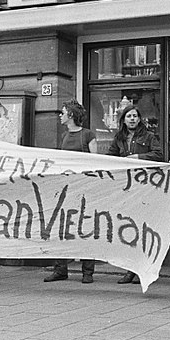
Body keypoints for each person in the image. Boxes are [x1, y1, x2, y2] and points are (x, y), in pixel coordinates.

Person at [108, 104, 163, 284]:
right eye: (129, 116)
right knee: (128, 228)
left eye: (135, 116)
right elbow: (110, 157)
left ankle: (144, 269)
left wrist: (137, 158)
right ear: (124, 120)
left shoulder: (149, 136)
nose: (132, 119)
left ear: (139, 119)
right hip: (127, 188)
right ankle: (130, 270)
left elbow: (158, 154)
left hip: (145, 187)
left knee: (144, 228)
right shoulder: (119, 138)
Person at [44, 99, 98, 284]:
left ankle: (87, 271)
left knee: (85, 227)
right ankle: (61, 268)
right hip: (66, 189)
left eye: (63, 112)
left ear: (71, 115)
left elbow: (95, 163)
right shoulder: (64, 136)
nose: (60, 115)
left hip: (83, 189)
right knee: (61, 227)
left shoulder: (88, 135)